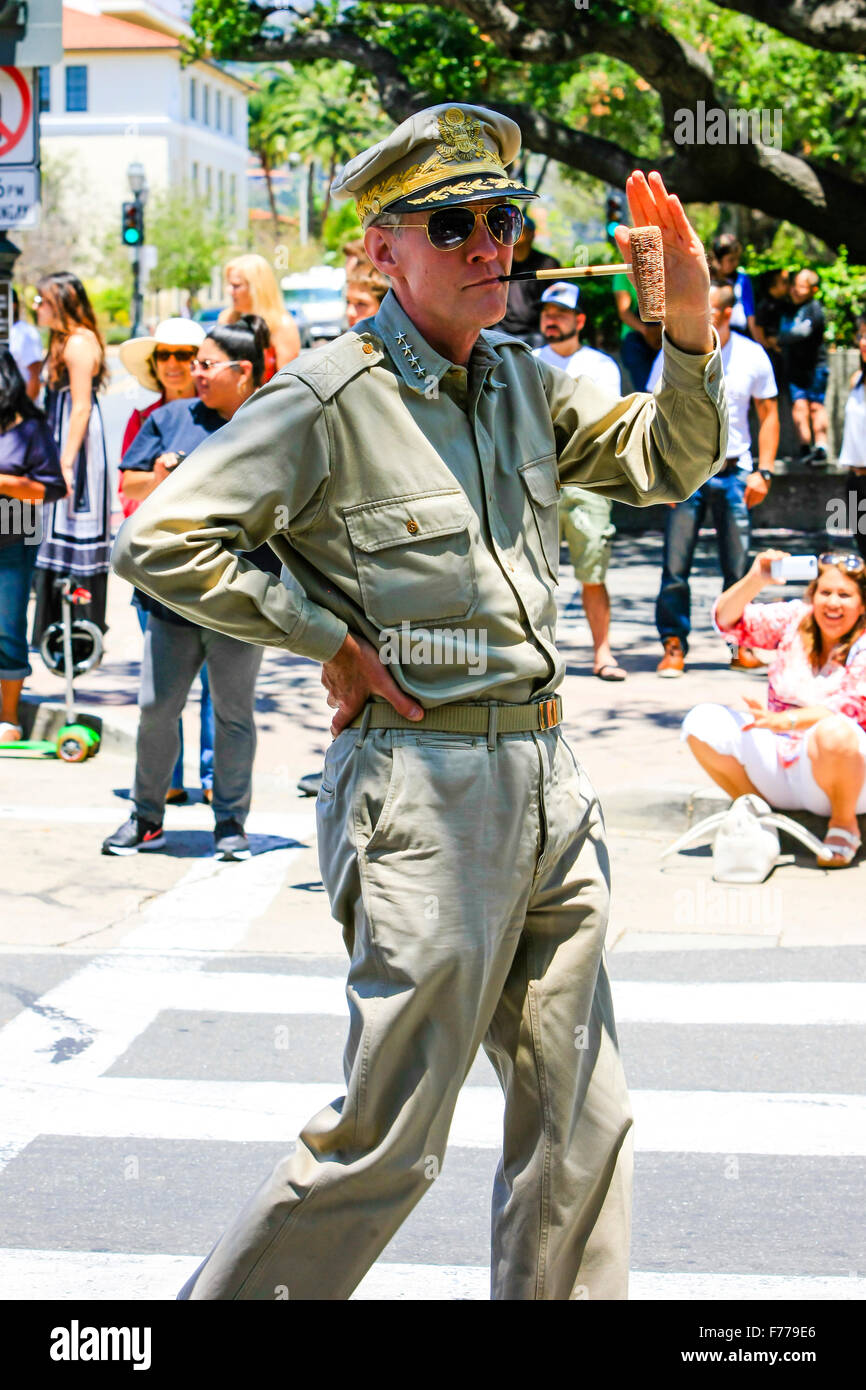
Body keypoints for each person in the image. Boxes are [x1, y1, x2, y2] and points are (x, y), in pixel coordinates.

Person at [114, 103, 726, 1301]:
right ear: (381, 251)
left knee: (581, 1129)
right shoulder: (327, 399)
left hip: (550, 784)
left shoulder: (518, 378)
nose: (493, 243)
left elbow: (664, 460)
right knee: (389, 1139)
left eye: (504, 218)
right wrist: (324, 639)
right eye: (456, 225)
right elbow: (162, 535)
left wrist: (691, 329)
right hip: (423, 796)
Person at [103, 316, 278, 861]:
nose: (194, 374)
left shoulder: (273, 423)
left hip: (241, 597)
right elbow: (128, 481)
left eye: (205, 364)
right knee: (157, 707)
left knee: (232, 713)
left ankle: (230, 822)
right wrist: (158, 474)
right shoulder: (172, 418)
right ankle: (146, 815)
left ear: (241, 371)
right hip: (172, 594)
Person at [682, 550, 866, 867]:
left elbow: (848, 707)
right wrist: (756, 578)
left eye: (845, 595)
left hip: (843, 774)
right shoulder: (796, 619)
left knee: (835, 732)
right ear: (813, 595)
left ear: (862, 604)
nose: (833, 603)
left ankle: (843, 823)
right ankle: (759, 813)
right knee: (701, 722)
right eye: (825, 592)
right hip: (781, 762)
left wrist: (784, 720)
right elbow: (726, 621)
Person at [651, 283, 779, 676]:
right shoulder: (675, 349)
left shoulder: (752, 354)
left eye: (703, 308)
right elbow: (653, 408)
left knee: (739, 567)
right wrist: (659, 474)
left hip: (735, 472)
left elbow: (768, 413)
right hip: (686, 473)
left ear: (724, 313)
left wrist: (765, 472)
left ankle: (740, 646)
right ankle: (674, 646)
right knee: (676, 565)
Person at [118, 317, 212, 806]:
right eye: (165, 355)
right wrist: (157, 476)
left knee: (221, 687)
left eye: (185, 355)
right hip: (154, 561)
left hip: (214, 563)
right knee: (164, 687)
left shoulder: (229, 415)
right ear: (155, 364)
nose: (174, 364)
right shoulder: (147, 419)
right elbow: (127, 487)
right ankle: (168, 779)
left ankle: (216, 778)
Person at [533, 281, 627, 680]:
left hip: (587, 482)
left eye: (561, 314)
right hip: (535, 481)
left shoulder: (601, 365)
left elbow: (605, 424)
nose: (551, 320)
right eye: (547, 313)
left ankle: (603, 653)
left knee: (593, 571)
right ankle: (537, 661)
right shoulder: (527, 360)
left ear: (580, 320)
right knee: (532, 576)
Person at [31, 273, 110, 642]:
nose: (36, 306)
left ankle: (76, 629)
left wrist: (64, 463)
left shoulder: (78, 343)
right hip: (60, 436)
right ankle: (55, 627)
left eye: (42, 300)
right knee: (54, 526)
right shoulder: (62, 340)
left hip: (75, 445)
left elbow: (80, 408)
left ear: (61, 302)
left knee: (73, 525)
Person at [0, 352, 66, 742]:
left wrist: (4, 483)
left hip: (12, 536)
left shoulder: (29, 427)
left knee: (7, 629)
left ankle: (8, 717)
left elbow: (52, 488)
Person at [220, 254, 301, 379]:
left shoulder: (282, 325)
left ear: (256, 288)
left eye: (236, 285)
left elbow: (287, 385)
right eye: (229, 285)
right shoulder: (226, 318)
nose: (229, 291)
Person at [778, 268, 828, 464]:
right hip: (794, 368)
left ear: (813, 289)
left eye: (801, 286)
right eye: (794, 286)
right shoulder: (788, 308)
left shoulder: (814, 308)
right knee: (799, 407)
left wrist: (781, 338)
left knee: (816, 406)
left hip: (815, 366)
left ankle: (821, 448)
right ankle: (805, 448)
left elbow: (802, 332)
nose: (795, 290)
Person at [496, 213, 559, 345]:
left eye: (519, 228)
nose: (514, 232)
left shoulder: (548, 264)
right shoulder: (498, 263)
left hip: (536, 333)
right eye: (510, 228)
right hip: (502, 330)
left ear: (532, 234)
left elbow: (557, 299)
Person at [839, 316, 866, 564]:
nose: (864, 342)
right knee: (862, 550)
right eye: (862, 335)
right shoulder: (856, 379)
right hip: (855, 480)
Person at [613, 262, 662, 391]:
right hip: (636, 337)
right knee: (646, 391)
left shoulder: (666, 266)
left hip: (666, 334)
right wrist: (647, 331)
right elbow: (624, 312)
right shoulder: (623, 272)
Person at [709, 232, 756, 338]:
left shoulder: (742, 279)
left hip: (738, 333)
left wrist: (756, 340)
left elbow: (750, 313)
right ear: (718, 259)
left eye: (737, 259)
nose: (735, 263)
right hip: (712, 333)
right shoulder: (707, 279)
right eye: (731, 260)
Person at [10, 289, 43, 401]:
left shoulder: (26, 333)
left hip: (21, 413)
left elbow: (34, 376)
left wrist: (23, 414)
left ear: (12, 306)